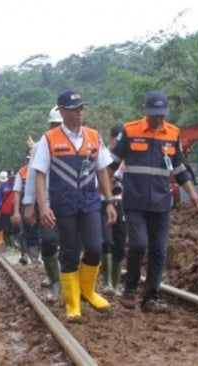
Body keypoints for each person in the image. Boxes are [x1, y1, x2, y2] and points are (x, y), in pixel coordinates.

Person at [109, 91, 198, 313]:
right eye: (154, 115)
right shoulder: (130, 131)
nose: (157, 119)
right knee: (138, 244)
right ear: (145, 110)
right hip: (135, 201)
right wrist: (105, 197)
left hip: (161, 203)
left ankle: (151, 298)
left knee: (159, 251)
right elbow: (111, 165)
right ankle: (130, 288)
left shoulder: (173, 133)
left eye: (161, 115)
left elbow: (179, 167)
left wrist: (192, 193)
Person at [32, 91, 117, 321]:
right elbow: (39, 175)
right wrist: (43, 206)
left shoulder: (93, 136)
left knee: (95, 247)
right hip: (63, 203)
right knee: (69, 253)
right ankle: (72, 304)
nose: (80, 113)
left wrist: (109, 202)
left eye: (82, 108)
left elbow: (102, 170)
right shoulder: (48, 140)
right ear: (62, 111)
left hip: (89, 201)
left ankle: (87, 291)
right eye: (74, 109)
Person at [22, 106, 64, 302]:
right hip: (47, 201)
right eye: (54, 125)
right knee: (48, 241)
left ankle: (68, 282)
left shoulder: (79, 141)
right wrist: (29, 203)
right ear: (49, 125)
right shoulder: (40, 146)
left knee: (71, 244)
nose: (57, 128)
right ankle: (54, 281)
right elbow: (32, 175)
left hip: (71, 201)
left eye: (60, 125)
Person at [100, 124, 127, 296]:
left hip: (122, 204)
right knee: (106, 242)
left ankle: (115, 284)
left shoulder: (128, 159)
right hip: (104, 203)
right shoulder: (105, 157)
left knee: (120, 245)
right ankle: (107, 282)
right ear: (110, 138)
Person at [0, 170, 18, 251]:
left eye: (13, 177)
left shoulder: (18, 184)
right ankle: (9, 245)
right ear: (8, 177)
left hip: (15, 210)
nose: (12, 179)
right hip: (5, 211)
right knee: (6, 228)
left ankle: (14, 245)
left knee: (15, 228)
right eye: (11, 177)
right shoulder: (3, 186)